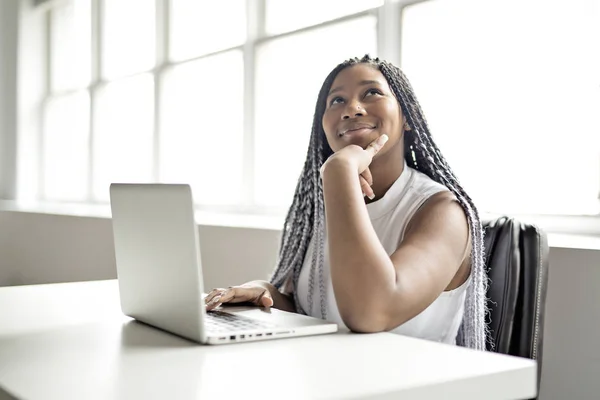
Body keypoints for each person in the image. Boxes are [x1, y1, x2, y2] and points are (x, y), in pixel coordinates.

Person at [205, 55, 488, 350]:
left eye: (371, 93)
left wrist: (339, 171)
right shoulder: (324, 208)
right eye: (336, 101)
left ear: (407, 116)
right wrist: (266, 294)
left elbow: (371, 312)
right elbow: (323, 315)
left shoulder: (444, 212)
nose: (351, 109)